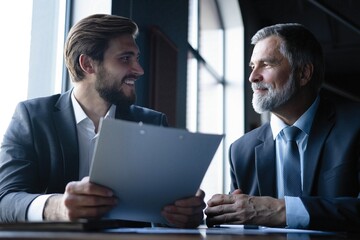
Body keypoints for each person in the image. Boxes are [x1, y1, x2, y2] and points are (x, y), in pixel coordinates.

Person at [0, 14, 205, 228]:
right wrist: (57, 207)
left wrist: (186, 214)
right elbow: (4, 201)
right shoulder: (32, 117)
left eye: (137, 58)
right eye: (126, 58)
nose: (139, 69)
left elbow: (167, 213)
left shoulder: (152, 123)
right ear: (87, 64)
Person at [205, 23, 360, 231]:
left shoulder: (355, 125)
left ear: (304, 73)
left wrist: (280, 210)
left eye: (266, 64)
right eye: (252, 67)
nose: (252, 77)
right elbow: (239, 228)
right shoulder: (241, 151)